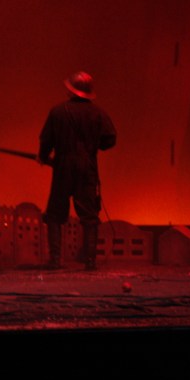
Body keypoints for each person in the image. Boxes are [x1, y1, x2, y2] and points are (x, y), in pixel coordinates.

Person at [37, 71, 117, 270]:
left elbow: (46, 140)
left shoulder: (57, 112)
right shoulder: (98, 113)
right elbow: (110, 139)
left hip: (63, 166)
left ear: (71, 90)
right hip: (87, 167)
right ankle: (90, 261)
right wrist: (92, 147)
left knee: (55, 213)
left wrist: (43, 157)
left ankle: (55, 260)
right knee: (89, 216)